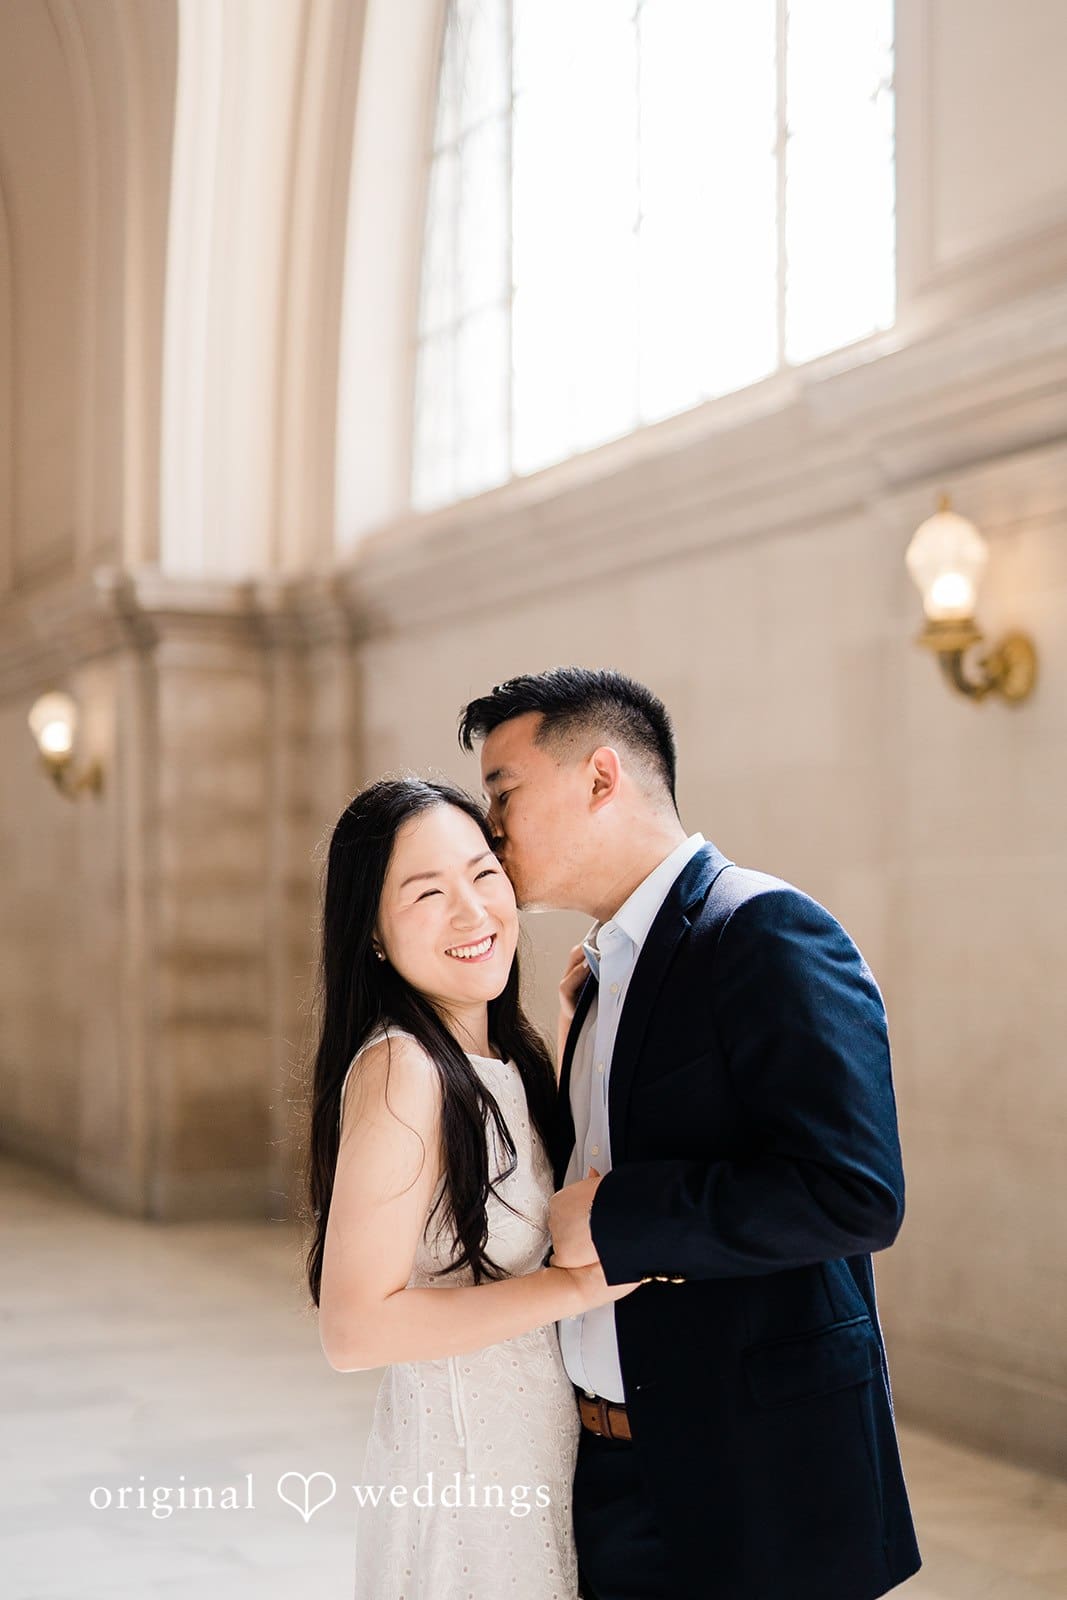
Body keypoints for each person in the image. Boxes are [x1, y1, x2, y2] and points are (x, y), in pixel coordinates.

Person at [459, 667, 923, 1600]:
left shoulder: (763, 930)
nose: (489, 825)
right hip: (610, 1469)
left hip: (754, 1481)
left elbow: (854, 1193)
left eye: (502, 792)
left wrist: (620, 1218)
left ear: (600, 776)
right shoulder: (601, 973)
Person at [304, 777, 636, 1599]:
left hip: (533, 1469)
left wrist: (575, 1039)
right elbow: (353, 1331)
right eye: (427, 893)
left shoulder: (501, 1058)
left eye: (483, 873)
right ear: (372, 933)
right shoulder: (402, 1068)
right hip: (463, 1493)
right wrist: (576, 1287)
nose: (472, 911)